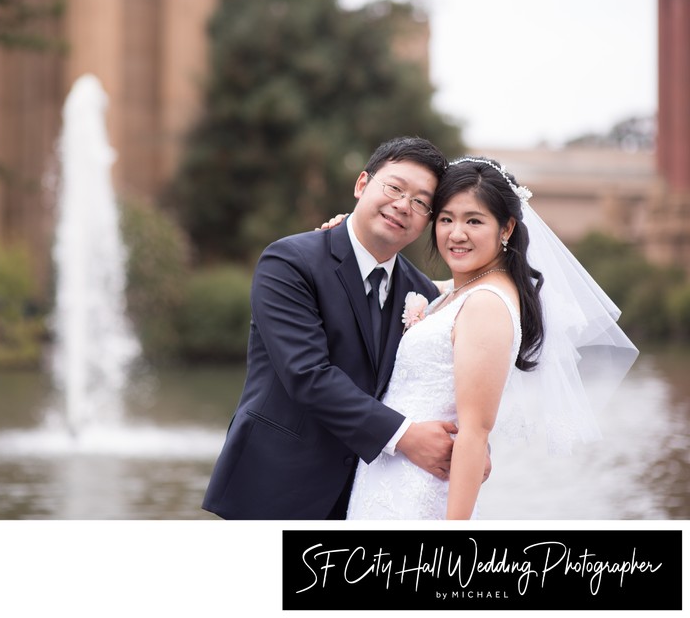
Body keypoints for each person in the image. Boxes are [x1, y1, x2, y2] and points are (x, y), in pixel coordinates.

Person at [202, 136, 484, 520]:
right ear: (362, 184)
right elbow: (307, 375)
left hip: (367, 495)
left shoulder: (420, 291)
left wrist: (470, 447)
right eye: (394, 188)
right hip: (275, 487)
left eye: (421, 203)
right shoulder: (290, 262)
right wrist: (405, 437)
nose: (403, 205)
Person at [343, 156, 639, 519]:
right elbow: (396, 277)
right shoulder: (461, 293)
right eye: (446, 219)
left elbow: (474, 434)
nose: (456, 234)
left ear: (507, 228)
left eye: (474, 221)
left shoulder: (486, 304)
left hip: (417, 496)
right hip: (388, 480)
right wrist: (348, 234)